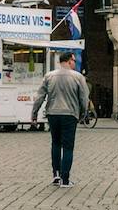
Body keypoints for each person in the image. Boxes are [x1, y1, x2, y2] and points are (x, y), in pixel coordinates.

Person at [31, 51, 89, 187]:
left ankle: (56, 174)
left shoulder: (49, 76)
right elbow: (84, 98)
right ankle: (65, 179)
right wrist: (83, 113)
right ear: (69, 61)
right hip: (70, 114)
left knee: (56, 144)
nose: (75, 63)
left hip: (53, 113)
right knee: (68, 147)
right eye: (74, 60)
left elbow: (40, 96)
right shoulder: (78, 77)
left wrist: (34, 113)